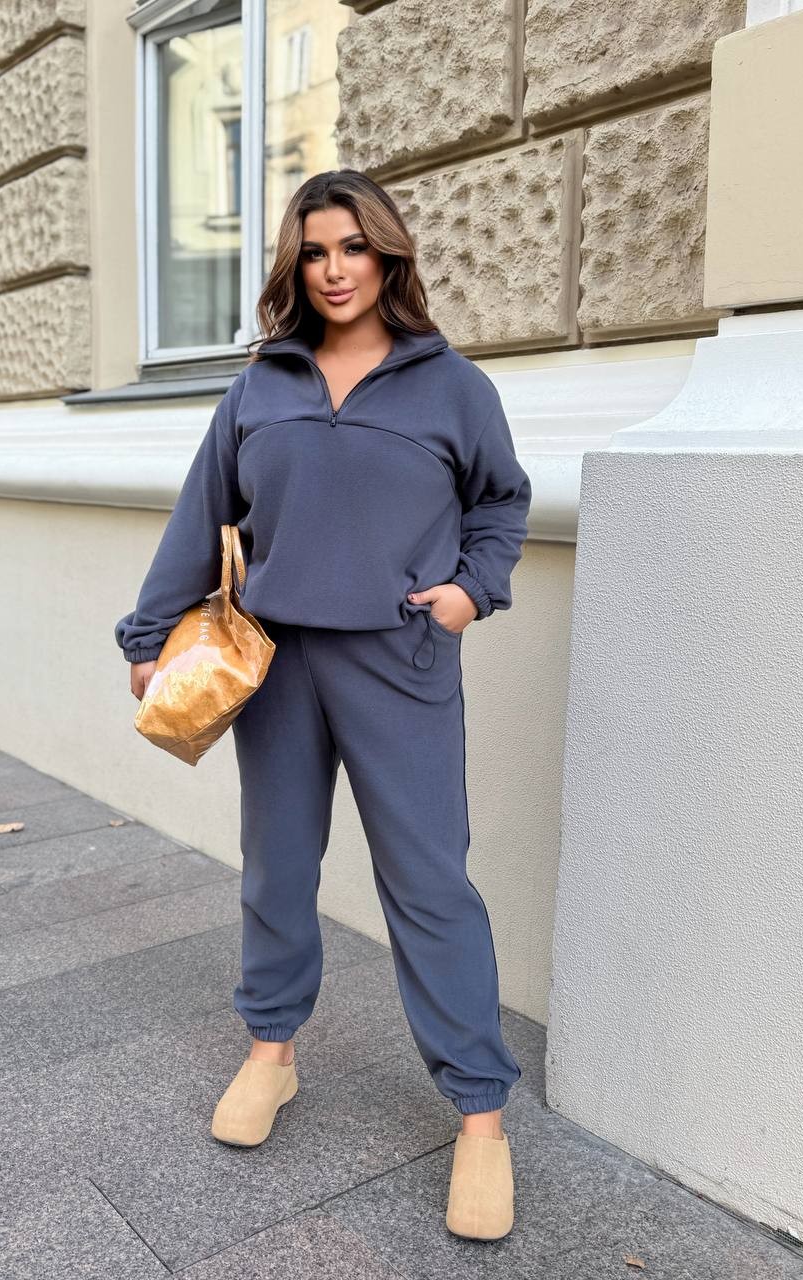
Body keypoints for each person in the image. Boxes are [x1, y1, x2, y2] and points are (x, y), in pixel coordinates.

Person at [114, 169, 531, 1241]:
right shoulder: (260, 387)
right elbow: (202, 512)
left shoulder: (452, 388)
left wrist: (469, 592)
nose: (334, 269)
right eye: (314, 251)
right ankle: (272, 1050)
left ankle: (480, 1114)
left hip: (400, 661)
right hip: (277, 664)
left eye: (353, 247)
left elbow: (501, 501)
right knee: (278, 863)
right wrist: (149, 636)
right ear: (293, 266)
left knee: (430, 882)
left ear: (388, 255)